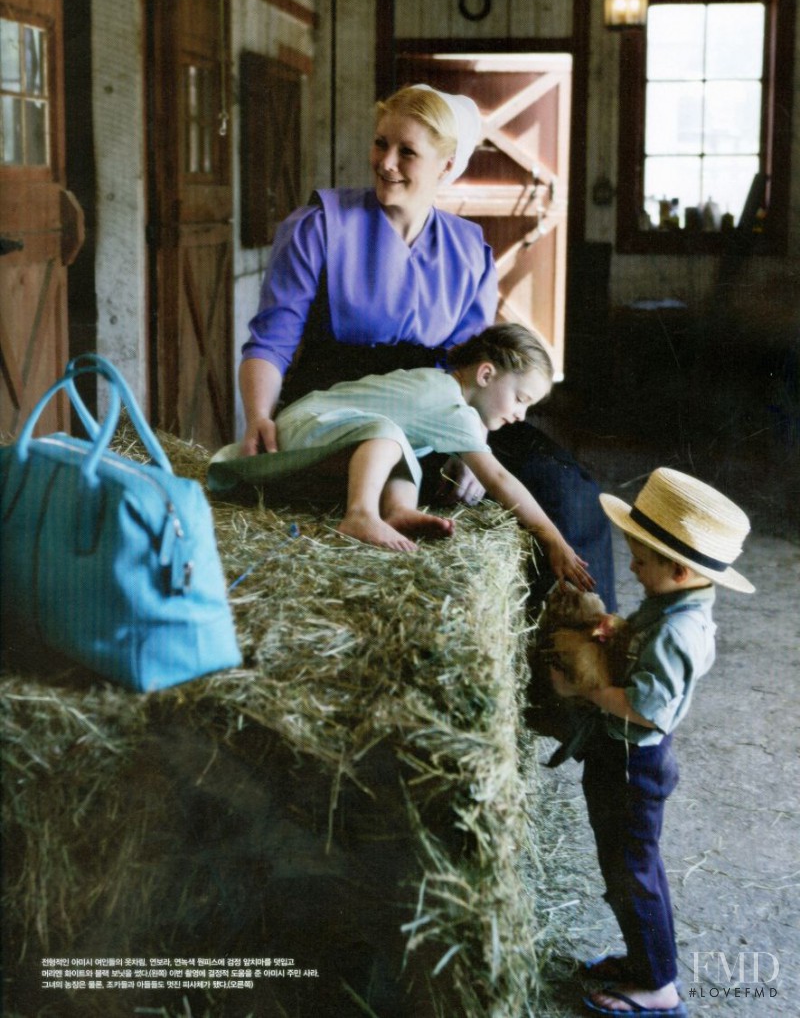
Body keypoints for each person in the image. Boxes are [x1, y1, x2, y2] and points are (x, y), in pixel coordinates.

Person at [237, 82, 617, 606]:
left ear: (445, 165)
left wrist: (470, 443)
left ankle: (582, 650)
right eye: (380, 144)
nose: (386, 162)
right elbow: (272, 339)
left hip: (440, 401)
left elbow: (474, 367)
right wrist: (259, 413)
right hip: (343, 398)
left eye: (407, 151)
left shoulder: (469, 249)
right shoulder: (319, 225)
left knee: (567, 488)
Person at [548, 468, 754, 1017]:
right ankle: (644, 963)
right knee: (623, 872)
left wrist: (588, 688)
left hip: (632, 763)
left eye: (641, 560)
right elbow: (643, 641)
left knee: (633, 876)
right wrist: (616, 630)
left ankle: (659, 986)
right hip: (620, 759)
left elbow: (646, 708)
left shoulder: (678, 631)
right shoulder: (669, 607)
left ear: (680, 569)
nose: (633, 568)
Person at [211, 324, 594, 588]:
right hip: (304, 427)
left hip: (325, 432)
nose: (520, 416)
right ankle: (360, 514)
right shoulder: (449, 403)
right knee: (389, 436)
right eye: (521, 399)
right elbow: (498, 479)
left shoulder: (447, 393)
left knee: (403, 448)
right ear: (486, 375)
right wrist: (552, 539)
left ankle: (397, 511)